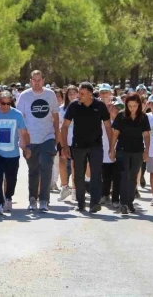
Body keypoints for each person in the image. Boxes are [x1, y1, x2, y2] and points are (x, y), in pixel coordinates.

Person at [61, 82, 113, 213]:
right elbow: (65, 126)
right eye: (78, 92)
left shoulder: (100, 106)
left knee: (96, 174)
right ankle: (81, 203)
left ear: (90, 94)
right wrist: (65, 146)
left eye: (82, 93)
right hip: (78, 146)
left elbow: (108, 126)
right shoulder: (74, 105)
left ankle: (95, 203)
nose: (79, 96)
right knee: (78, 175)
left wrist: (112, 146)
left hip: (96, 146)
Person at [17, 70, 60, 212]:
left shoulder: (50, 94)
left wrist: (57, 138)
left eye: (39, 80)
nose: (36, 82)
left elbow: (55, 117)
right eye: (34, 80)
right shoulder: (24, 96)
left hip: (48, 137)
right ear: (30, 81)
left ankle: (44, 200)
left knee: (46, 168)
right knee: (33, 170)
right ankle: (32, 199)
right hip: (31, 138)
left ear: (43, 80)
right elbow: (19, 119)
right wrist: (23, 143)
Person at [0, 91, 31, 215]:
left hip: (13, 153)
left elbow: (23, 132)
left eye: (8, 103)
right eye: (3, 103)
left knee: (11, 179)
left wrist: (27, 147)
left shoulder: (17, 114)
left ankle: (8, 197)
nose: (5, 106)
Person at [111, 94, 151, 215]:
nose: (132, 108)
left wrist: (147, 150)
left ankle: (130, 202)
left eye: (135, 106)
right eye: (129, 106)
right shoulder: (121, 116)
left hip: (137, 150)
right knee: (124, 175)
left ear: (139, 105)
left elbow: (146, 135)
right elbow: (115, 134)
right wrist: (112, 149)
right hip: (122, 150)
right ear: (126, 105)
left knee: (133, 177)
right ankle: (123, 203)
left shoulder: (143, 117)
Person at [57, 85, 78, 202]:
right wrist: (62, 144)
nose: (72, 95)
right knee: (62, 163)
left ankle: (75, 190)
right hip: (64, 140)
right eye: (69, 93)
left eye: (74, 93)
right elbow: (60, 128)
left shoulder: (81, 108)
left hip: (76, 141)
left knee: (75, 165)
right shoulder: (61, 110)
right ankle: (65, 187)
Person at [101, 101, 122, 207]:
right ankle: (105, 195)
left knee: (117, 177)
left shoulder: (123, 121)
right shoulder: (104, 121)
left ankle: (115, 199)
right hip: (105, 152)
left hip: (118, 152)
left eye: (119, 108)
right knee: (106, 176)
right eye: (115, 108)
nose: (117, 110)